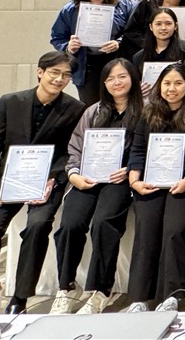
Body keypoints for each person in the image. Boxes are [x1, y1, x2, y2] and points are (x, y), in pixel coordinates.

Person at [0, 51, 85, 314]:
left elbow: (70, 152)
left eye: (66, 75)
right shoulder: (10, 102)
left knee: (38, 225)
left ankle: (20, 299)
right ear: (40, 72)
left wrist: (54, 178)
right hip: (7, 182)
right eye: (54, 73)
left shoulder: (75, 109)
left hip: (46, 184)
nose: (59, 79)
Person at [50, 58, 142, 314]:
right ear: (104, 83)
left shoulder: (145, 111)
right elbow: (75, 147)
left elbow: (148, 149)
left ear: (133, 79)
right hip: (86, 179)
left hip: (120, 180)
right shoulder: (93, 111)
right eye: (110, 78)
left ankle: (100, 290)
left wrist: (132, 169)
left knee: (103, 224)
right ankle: (66, 287)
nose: (116, 82)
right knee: (70, 225)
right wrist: (74, 174)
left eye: (122, 76)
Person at [126, 63, 185, 313]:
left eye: (178, 83)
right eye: (167, 83)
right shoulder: (149, 112)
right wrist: (134, 181)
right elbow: (138, 149)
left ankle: (172, 295)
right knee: (146, 227)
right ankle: (139, 297)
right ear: (159, 86)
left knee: (175, 229)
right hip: (151, 182)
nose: (172, 89)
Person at [50, 0, 131, 105]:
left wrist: (119, 42)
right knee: (92, 108)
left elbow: (134, 33)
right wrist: (69, 47)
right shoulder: (70, 10)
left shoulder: (124, 6)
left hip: (117, 63)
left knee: (120, 104)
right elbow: (57, 37)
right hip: (86, 67)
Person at [132, 7, 185, 78]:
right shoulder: (139, 57)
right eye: (158, 24)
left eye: (168, 23)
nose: (163, 28)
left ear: (175, 26)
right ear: (151, 27)